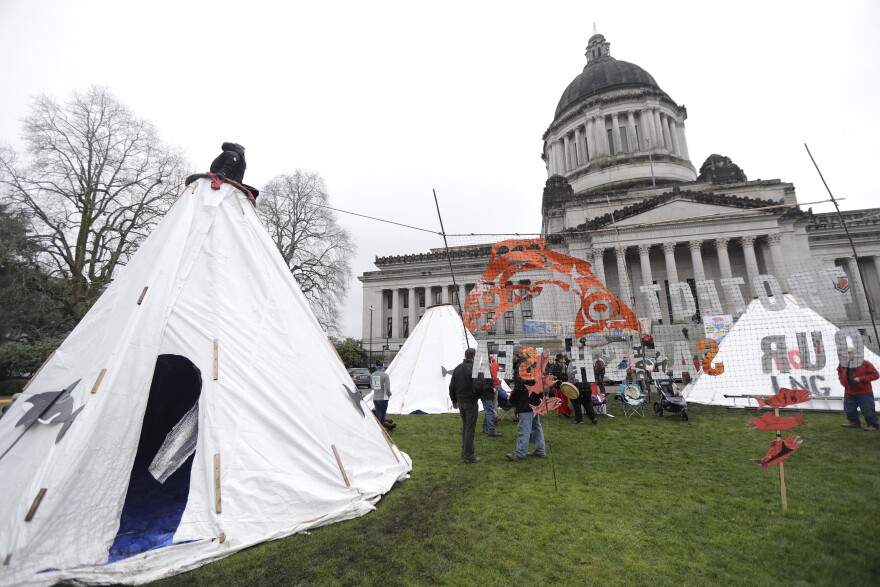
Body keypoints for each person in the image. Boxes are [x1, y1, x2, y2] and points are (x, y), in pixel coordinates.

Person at [507, 346, 546, 461]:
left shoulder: (521, 367)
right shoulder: (532, 365)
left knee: (524, 428)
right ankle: (540, 450)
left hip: (525, 402)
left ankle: (520, 453)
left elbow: (519, 387)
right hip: (534, 402)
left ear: (517, 355)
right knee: (536, 427)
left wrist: (512, 400)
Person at [449, 348, 482, 463]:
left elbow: (452, 386)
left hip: (461, 401)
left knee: (466, 427)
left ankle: (465, 452)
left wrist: (454, 400)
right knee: (470, 429)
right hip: (470, 402)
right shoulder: (474, 369)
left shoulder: (457, 368)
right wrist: (477, 395)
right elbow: (479, 386)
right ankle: (468, 456)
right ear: (473, 356)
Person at [837, 347, 879, 431]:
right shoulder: (842, 364)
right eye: (847, 353)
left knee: (868, 409)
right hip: (849, 391)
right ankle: (854, 422)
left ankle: (873, 425)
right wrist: (843, 382)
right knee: (849, 409)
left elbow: (876, 375)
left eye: (851, 353)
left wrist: (860, 379)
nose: (849, 355)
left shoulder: (865, 363)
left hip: (864, 392)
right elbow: (840, 373)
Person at [566, 356, 597, 425]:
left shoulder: (572, 363)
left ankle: (579, 420)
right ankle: (593, 417)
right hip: (587, 385)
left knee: (576, 403)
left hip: (577, 385)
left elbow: (570, 374)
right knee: (587, 402)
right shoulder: (586, 363)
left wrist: (570, 383)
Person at [370, 361, 395, 430]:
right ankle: (381, 430)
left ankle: (379, 429)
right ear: (383, 366)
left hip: (375, 398)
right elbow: (387, 388)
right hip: (383, 398)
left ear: (376, 366)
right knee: (382, 416)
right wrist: (390, 394)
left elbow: (372, 386)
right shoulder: (385, 375)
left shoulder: (373, 375)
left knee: (378, 414)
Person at [482, 356, 502, 437]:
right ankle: (491, 430)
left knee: (488, 410)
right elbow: (483, 385)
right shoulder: (485, 372)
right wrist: (492, 388)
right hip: (487, 394)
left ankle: (485, 426)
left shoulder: (485, 371)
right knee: (490, 411)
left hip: (488, 394)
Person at [550, 353, 571, 417]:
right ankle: (560, 412)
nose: (563, 359)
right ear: (559, 359)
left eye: (563, 358)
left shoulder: (565, 365)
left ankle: (565, 411)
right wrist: (558, 379)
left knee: (565, 399)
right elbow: (553, 376)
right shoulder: (554, 366)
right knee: (559, 399)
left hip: (564, 384)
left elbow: (566, 374)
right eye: (562, 358)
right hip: (557, 385)